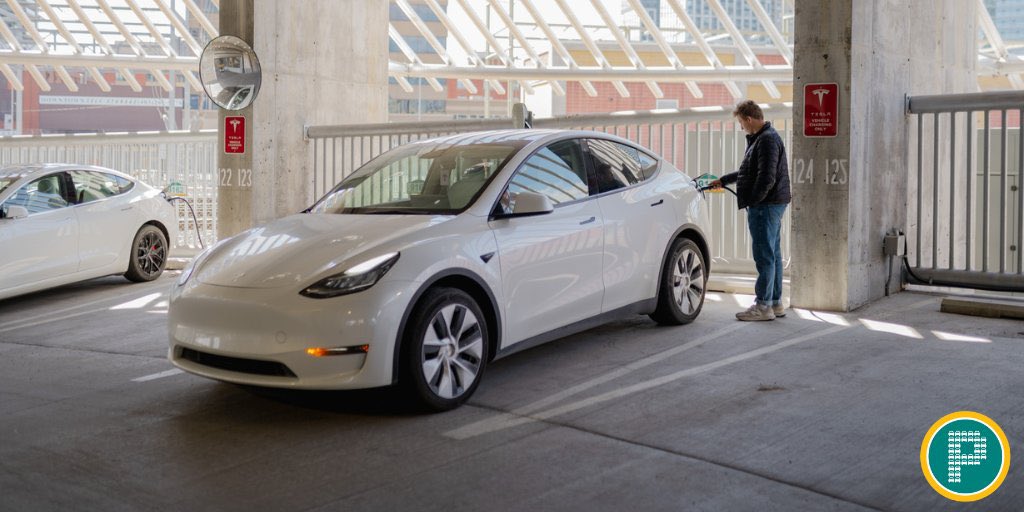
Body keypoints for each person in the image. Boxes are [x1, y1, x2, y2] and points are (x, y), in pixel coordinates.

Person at [710, 100, 792, 321]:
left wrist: (754, 201)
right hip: (772, 203)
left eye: (740, 122)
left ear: (748, 119)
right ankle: (775, 303)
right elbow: (750, 171)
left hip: (765, 206)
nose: (741, 128)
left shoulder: (766, 140)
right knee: (772, 254)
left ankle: (763, 306)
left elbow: (767, 178)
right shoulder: (765, 138)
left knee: (764, 255)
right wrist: (724, 180)